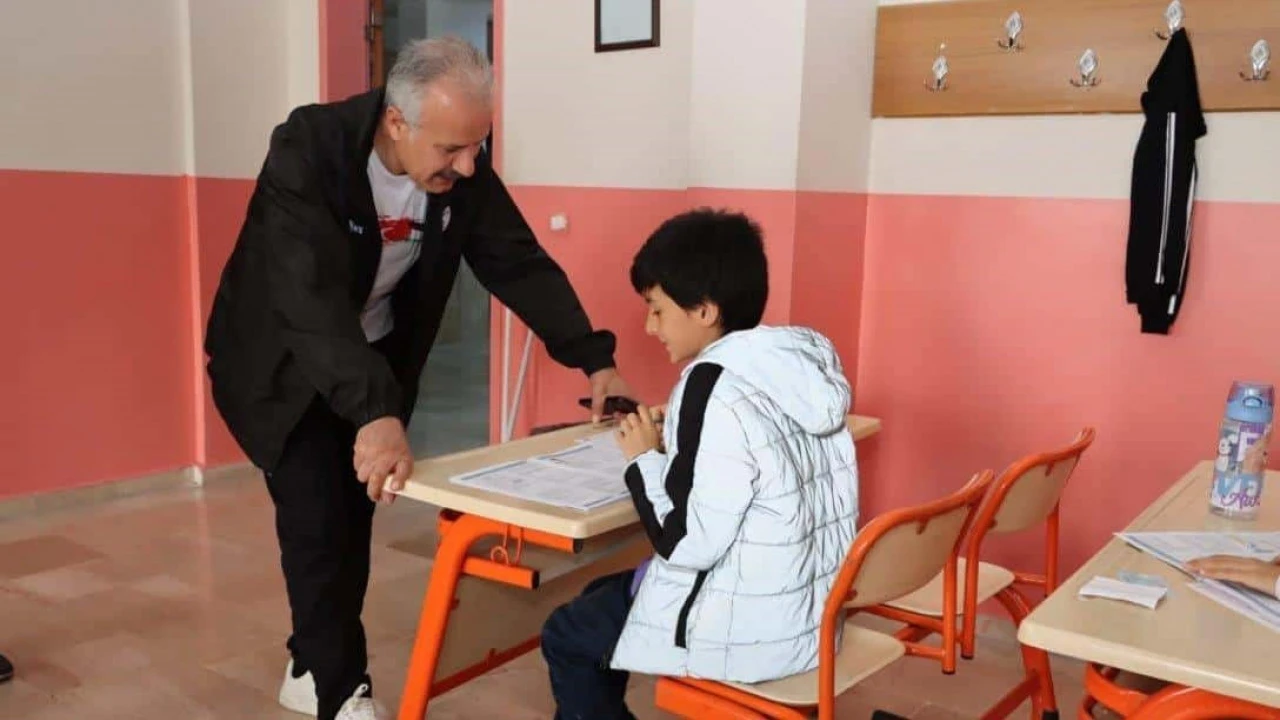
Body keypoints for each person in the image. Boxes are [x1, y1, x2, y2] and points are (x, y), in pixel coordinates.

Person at [204, 37, 631, 720]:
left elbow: (516, 261)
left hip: (369, 361)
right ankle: (341, 693)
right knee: (317, 518)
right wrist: (376, 413)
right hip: (282, 363)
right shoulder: (308, 150)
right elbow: (308, 300)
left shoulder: (460, 172)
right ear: (397, 121)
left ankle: (311, 660)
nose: (468, 165)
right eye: (452, 148)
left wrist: (593, 356)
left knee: (351, 518)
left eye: (477, 146)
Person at [539, 209, 860, 720]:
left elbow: (686, 543)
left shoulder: (709, 384)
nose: (649, 327)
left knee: (568, 633)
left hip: (748, 633)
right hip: (809, 615)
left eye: (656, 310)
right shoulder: (795, 363)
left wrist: (643, 459)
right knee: (602, 594)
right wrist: (682, 434)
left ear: (705, 310)